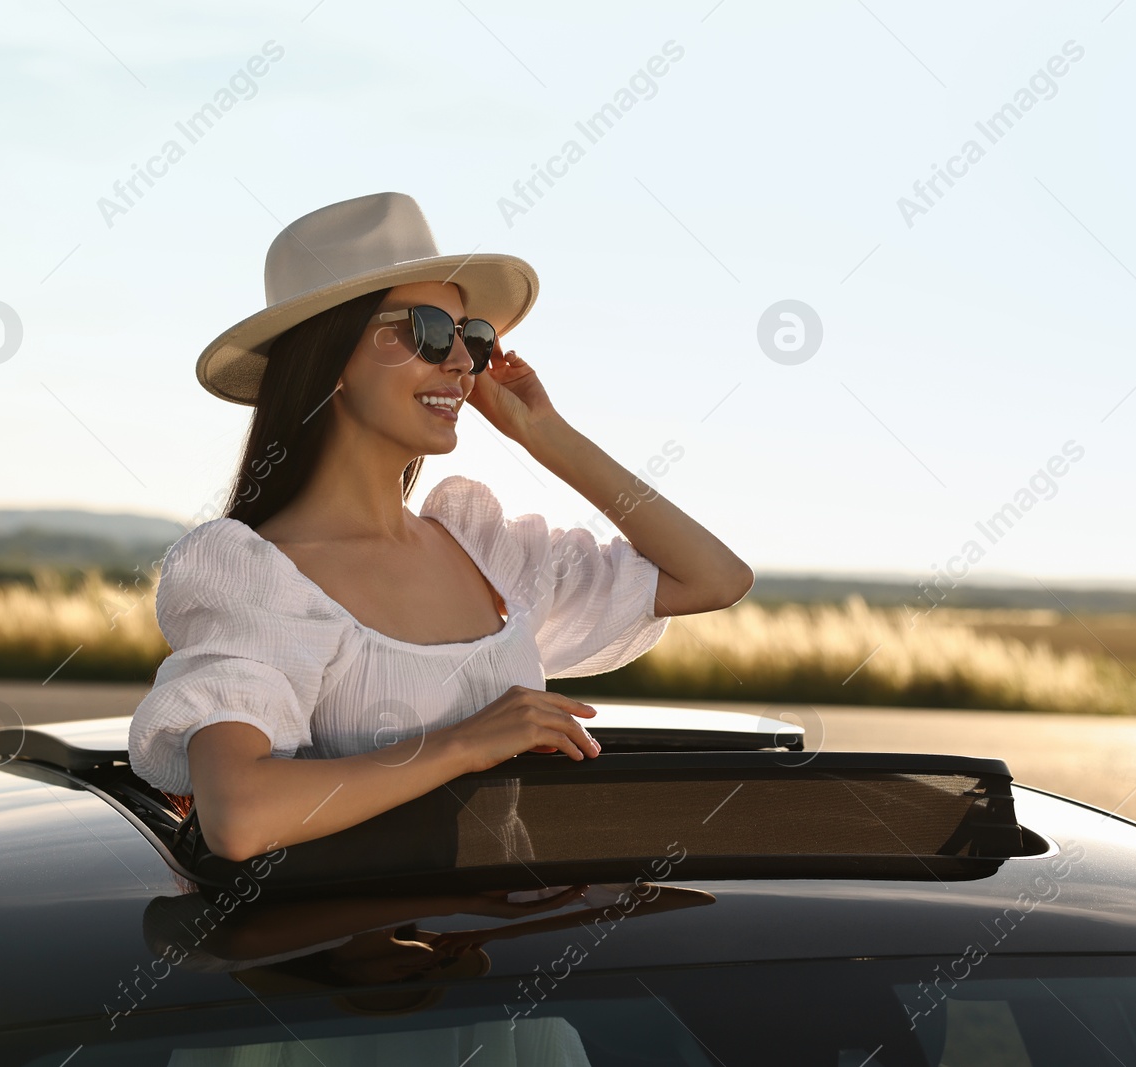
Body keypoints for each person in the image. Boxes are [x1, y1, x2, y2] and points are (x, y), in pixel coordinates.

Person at [127, 191, 753, 863]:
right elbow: (240, 815)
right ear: (332, 356)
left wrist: (544, 434)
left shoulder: (484, 549)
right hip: (354, 959)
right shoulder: (257, 578)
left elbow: (714, 577)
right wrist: (462, 743)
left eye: (471, 337)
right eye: (428, 330)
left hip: (502, 952)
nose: (461, 362)